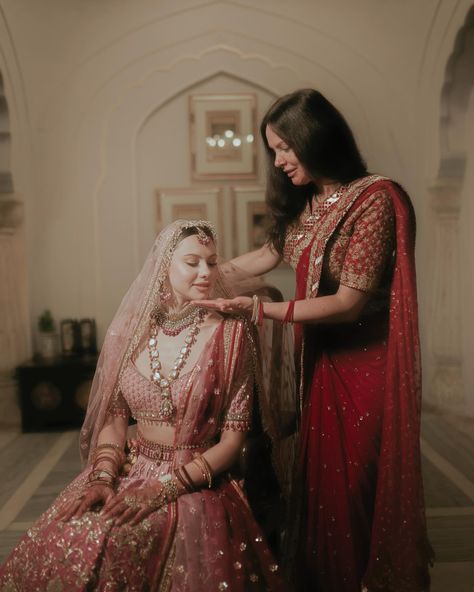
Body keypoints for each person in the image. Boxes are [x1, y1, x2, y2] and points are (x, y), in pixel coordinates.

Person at [197, 89, 433, 592]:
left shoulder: (375, 199)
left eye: (285, 148)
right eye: (273, 151)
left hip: (365, 371)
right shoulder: (314, 206)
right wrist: (192, 277)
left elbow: (348, 302)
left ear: (315, 137)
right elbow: (261, 259)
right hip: (321, 367)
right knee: (321, 490)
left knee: (354, 489)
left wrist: (262, 308)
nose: (279, 162)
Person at [0, 220, 286, 591]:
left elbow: (231, 443)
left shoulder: (231, 334)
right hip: (130, 466)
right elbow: (116, 416)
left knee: (123, 539)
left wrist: (163, 490)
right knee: (72, 532)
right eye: (192, 262)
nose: (205, 272)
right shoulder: (129, 330)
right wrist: (103, 476)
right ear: (164, 265)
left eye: (212, 262)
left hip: (195, 479)